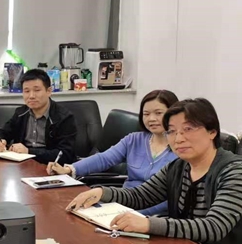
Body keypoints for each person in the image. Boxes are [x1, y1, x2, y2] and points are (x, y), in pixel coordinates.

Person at [66, 98, 242, 244]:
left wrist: (148, 224)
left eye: (188, 129)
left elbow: (214, 227)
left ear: (212, 132)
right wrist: (102, 192)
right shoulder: (179, 167)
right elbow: (141, 195)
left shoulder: (237, 172)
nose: (178, 138)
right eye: (171, 131)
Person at [48, 90, 179, 216]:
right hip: (123, 202)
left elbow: (170, 199)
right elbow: (104, 159)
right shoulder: (134, 140)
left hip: (153, 213)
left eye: (158, 113)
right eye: (146, 114)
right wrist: (69, 169)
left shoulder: (181, 148)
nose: (151, 119)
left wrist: (134, 214)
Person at [0, 68, 77, 164]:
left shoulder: (64, 117)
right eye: (26, 91)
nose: (31, 96)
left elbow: (65, 154)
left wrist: (29, 152)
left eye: (37, 90)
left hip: (51, 167)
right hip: (22, 165)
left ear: (49, 91)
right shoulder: (21, 113)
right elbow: (3, 132)